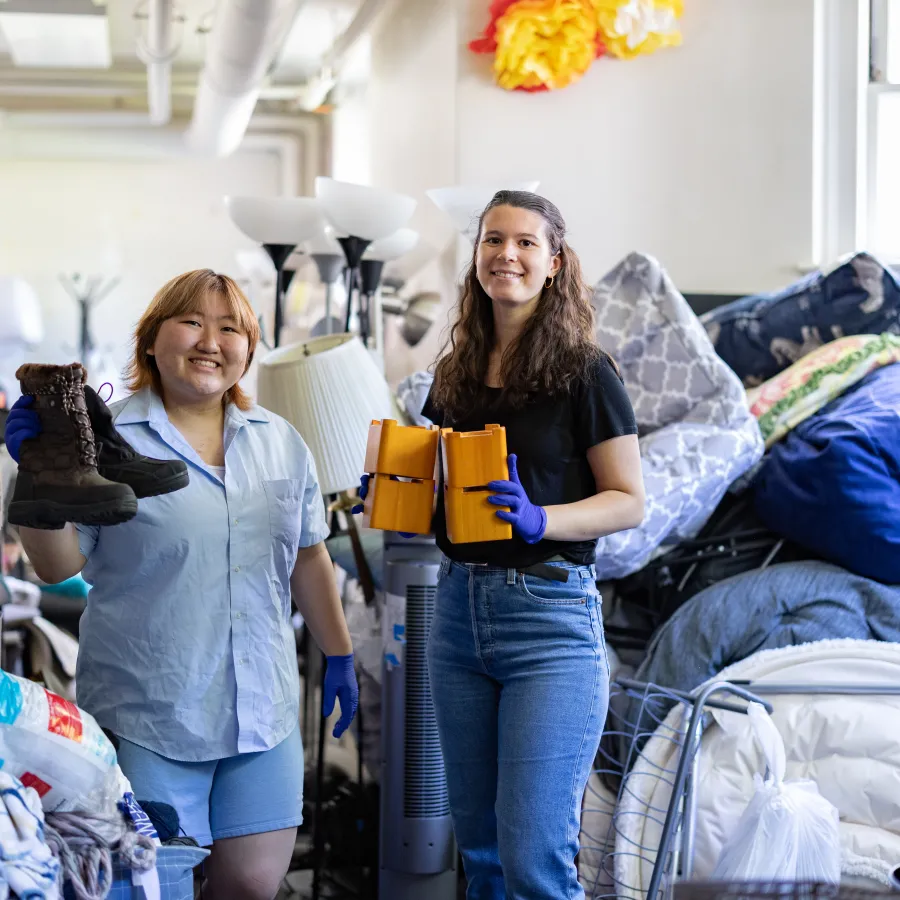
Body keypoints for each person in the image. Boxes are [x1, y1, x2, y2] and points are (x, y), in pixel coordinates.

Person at [4, 269, 358, 900]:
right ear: (152, 340)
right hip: (151, 712)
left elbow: (308, 557)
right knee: (155, 888)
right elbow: (58, 567)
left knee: (252, 885)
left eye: (231, 328)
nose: (211, 341)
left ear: (249, 349)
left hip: (263, 712)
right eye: (192, 321)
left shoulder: (280, 442)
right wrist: (37, 478)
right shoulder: (105, 439)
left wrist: (340, 653)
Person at [410, 191, 644, 899]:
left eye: (524, 243)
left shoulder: (585, 372)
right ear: (475, 254)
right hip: (457, 617)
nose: (505, 255)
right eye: (491, 241)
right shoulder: (455, 372)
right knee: (479, 858)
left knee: (534, 860)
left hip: (549, 619)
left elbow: (628, 501)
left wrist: (541, 519)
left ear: (553, 263)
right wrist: (398, 494)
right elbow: (442, 491)